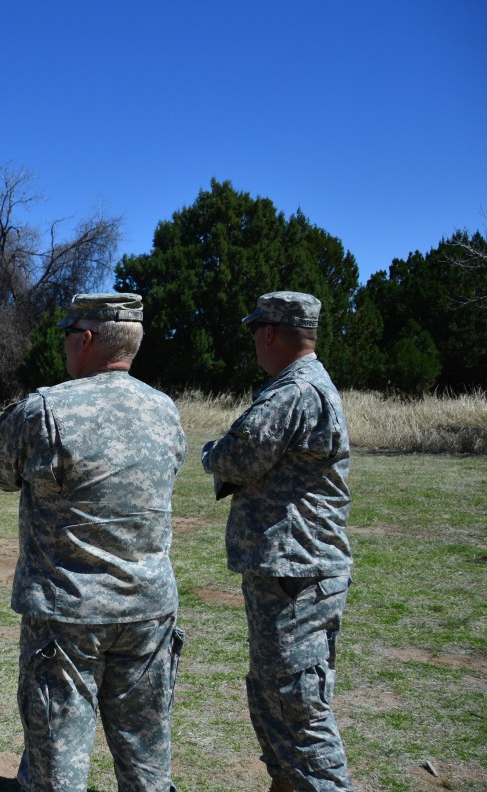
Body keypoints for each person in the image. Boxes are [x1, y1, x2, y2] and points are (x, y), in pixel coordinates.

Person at [0, 292, 187, 792]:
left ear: (86, 340)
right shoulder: (165, 409)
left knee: (58, 760)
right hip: (148, 608)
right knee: (146, 755)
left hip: (67, 613)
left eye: (69, 336)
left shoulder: (46, 408)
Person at [201, 291, 354, 792]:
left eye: (254, 332)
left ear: (269, 332)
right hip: (291, 573)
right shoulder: (306, 385)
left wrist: (211, 452)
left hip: (296, 574)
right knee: (276, 697)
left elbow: (237, 457)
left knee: (297, 710)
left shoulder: (292, 392)